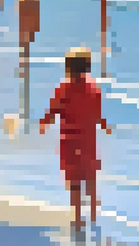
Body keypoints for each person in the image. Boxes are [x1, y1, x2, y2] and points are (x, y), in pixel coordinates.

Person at [39, 47, 111, 232]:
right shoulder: (94, 89)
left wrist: (42, 124)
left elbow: (52, 112)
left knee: (75, 182)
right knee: (90, 178)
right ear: (87, 68)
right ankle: (94, 217)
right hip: (88, 141)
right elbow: (97, 114)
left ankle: (78, 218)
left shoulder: (63, 88)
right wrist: (104, 125)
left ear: (68, 68)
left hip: (69, 140)